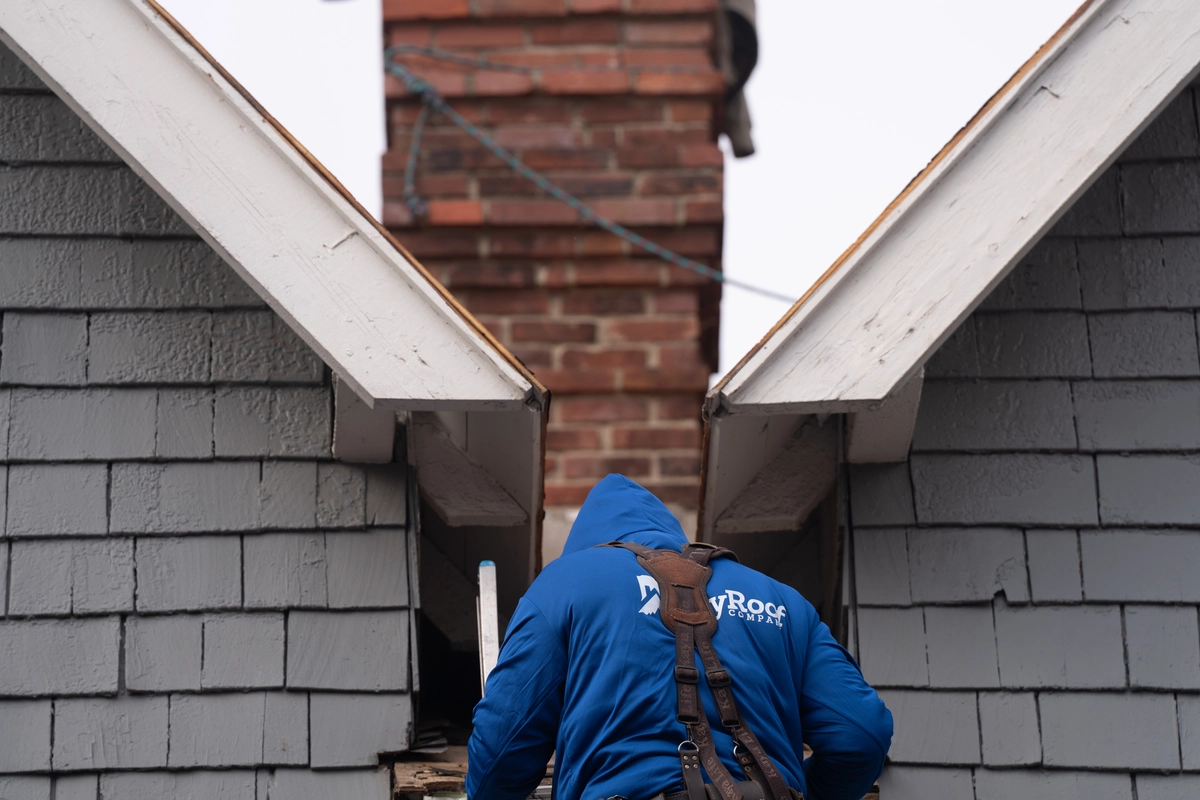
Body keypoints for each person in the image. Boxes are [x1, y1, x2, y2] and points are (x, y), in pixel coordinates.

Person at [467, 474, 893, 800]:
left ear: (591, 545)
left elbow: (500, 752)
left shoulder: (564, 582)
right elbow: (862, 734)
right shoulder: (782, 600)